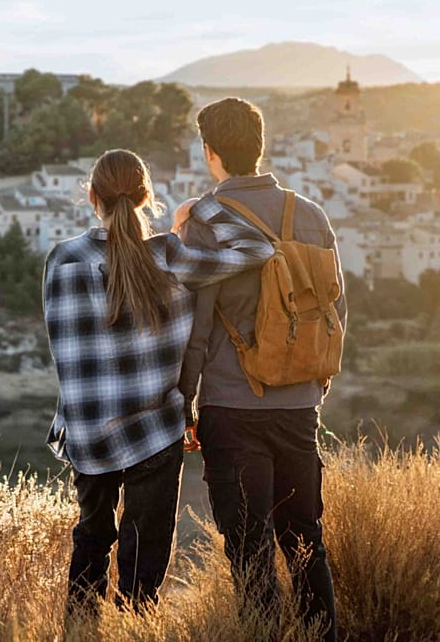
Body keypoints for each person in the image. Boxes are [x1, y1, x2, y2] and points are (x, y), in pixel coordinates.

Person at [43, 148, 274, 619]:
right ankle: (135, 628)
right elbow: (258, 250)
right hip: (154, 431)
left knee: (91, 538)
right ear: (148, 197)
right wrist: (203, 205)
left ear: (92, 198)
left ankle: (81, 631)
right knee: (143, 557)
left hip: (87, 432)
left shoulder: (61, 260)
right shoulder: (167, 256)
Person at [182, 98, 343, 641]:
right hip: (300, 409)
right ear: (260, 145)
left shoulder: (207, 218)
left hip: (233, 407)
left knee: (250, 553)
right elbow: (332, 311)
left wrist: (183, 402)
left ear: (211, 153)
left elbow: (197, 326)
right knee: (305, 543)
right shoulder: (311, 215)